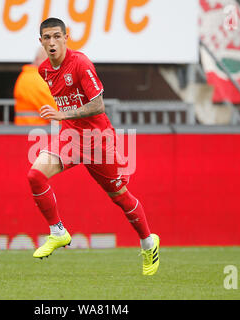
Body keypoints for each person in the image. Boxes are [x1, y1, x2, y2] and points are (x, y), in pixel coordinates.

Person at [27, 18, 160, 275]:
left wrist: (63, 115)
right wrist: (65, 120)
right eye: (47, 38)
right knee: (35, 175)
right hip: (70, 137)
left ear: (66, 37)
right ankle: (58, 232)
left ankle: (148, 242)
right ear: (41, 41)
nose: (52, 42)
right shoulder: (44, 70)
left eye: (57, 36)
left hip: (98, 140)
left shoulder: (80, 63)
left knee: (119, 196)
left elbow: (98, 105)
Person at [14, 47, 58, 125]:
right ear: (38, 60)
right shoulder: (38, 80)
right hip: (37, 131)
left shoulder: (25, 76)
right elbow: (56, 114)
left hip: (26, 130)